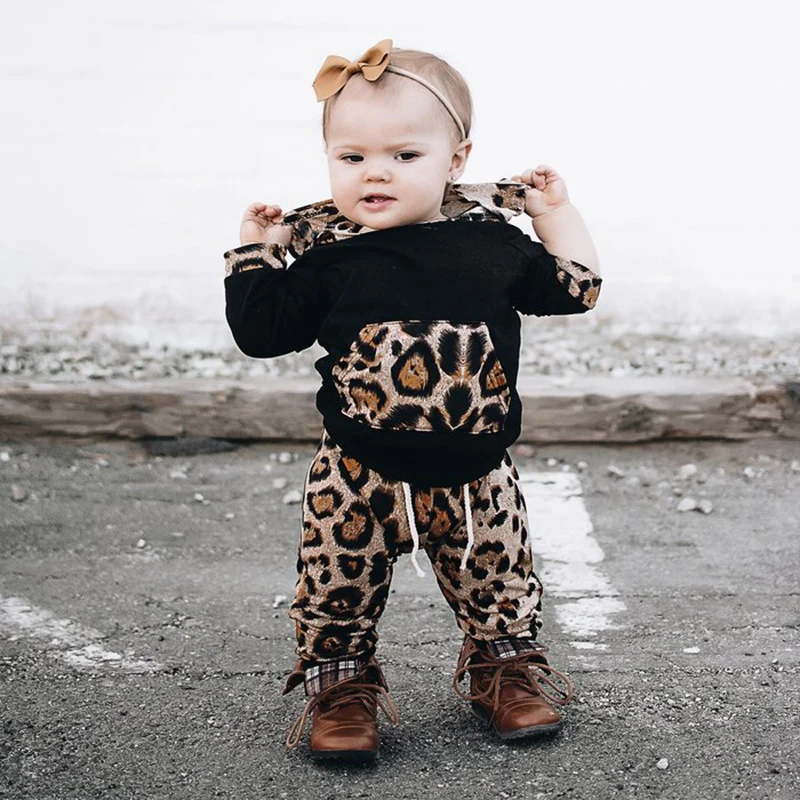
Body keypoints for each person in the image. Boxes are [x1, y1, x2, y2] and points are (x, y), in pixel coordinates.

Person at [224, 39, 601, 761]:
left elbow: (575, 288)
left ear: (456, 160)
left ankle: (504, 670)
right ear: (329, 158)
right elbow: (261, 333)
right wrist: (258, 252)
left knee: (498, 577)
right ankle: (341, 688)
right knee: (338, 582)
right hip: (356, 471)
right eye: (352, 156)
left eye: (404, 155)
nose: (376, 172)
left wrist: (555, 214)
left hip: (475, 473)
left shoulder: (492, 243)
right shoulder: (329, 257)